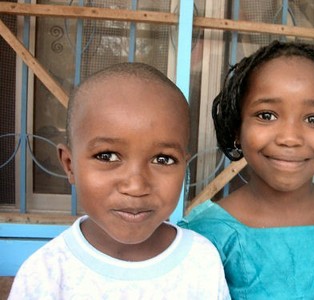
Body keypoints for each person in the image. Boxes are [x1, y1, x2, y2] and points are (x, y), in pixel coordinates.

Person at [179, 41, 314, 299]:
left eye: (313, 119)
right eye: (266, 115)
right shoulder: (206, 233)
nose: (290, 138)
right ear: (238, 127)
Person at [9, 62, 230, 299]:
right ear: (70, 165)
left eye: (163, 159)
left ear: (184, 168)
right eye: (107, 156)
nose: (136, 186)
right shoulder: (45, 275)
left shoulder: (200, 261)